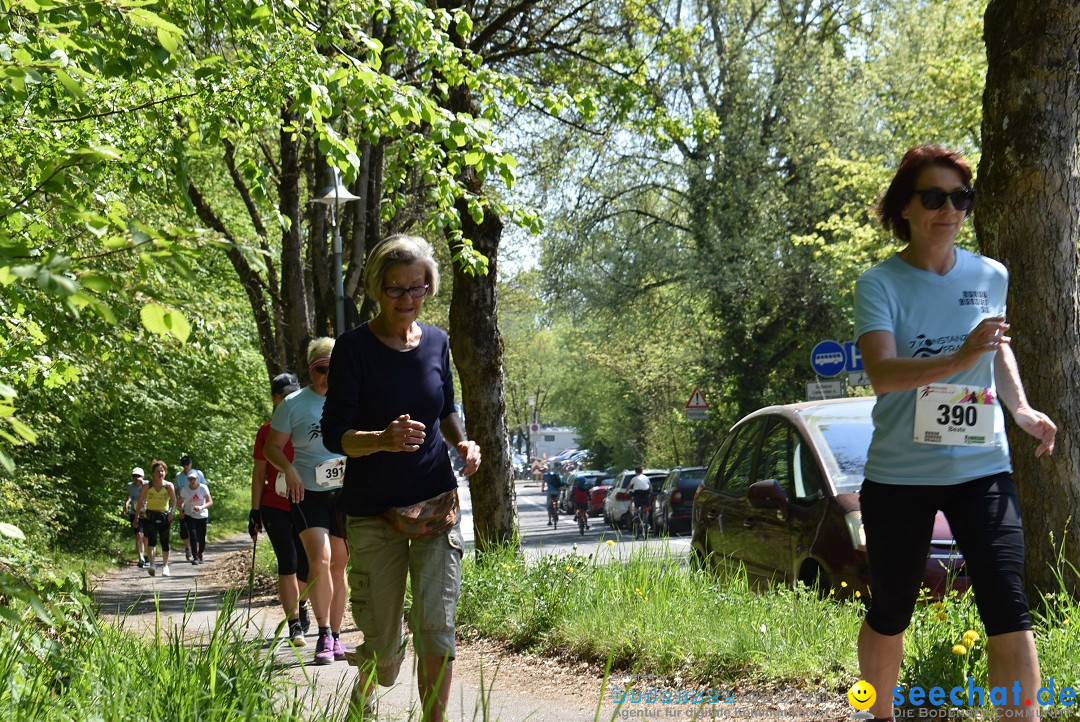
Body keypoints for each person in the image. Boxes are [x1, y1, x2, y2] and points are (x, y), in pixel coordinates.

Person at [854, 145, 1057, 722]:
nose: (949, 209)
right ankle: (879, 714)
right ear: (906, 209)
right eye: (933, 197)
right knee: (891, 608)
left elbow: (995, 350)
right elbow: (883, 374)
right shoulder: (879, 284)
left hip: (981, 467)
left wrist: (1019, 409)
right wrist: (957, 358)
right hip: (900, 473)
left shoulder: (990, 274)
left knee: (1008, 605)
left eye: (959, 198)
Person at [321, 234, 481, 720]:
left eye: (419, 288)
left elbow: (446, 408)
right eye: (396, 289)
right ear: (377, 287)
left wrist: (462, 442)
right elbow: (335, 435)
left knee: (437, 628)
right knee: (386, 654)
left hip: (435, 502)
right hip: (373, 512)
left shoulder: (437, 341)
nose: (408, 300)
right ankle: (364, 695)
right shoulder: (353, 349)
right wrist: (382, 439)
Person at [264, 338, 349, 666]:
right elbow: (272, 447)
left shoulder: (350, 401)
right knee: (321, 559)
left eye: (333, 369)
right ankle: (324, 633)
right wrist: (288, 469)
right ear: (311, 370)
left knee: (340, 562)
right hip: (306, 493)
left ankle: (338, 635)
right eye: (321, 369)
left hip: (343, 493)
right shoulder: (292, 405)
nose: (327, 376)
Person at [249, 372, 311, 646]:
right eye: (283, 395)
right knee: (288, 561)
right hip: (274, 505)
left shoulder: (308, 425)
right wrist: (254, 511)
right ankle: (294, 623)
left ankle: (303, 602)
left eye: (293, 394)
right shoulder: (266, 431)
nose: (288, 399)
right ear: (275, 398)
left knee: (308, 565)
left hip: (307, 503)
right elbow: (259, 472)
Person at [133, 460, 178, 577]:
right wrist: (136, 517)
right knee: (151, 541)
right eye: (158, 471)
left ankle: (165, 566)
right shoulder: (147, 486)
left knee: (165, 542)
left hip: (164, 516)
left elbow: (174, 501)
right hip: (150, 516)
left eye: (162, 471)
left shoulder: (169, 486)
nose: (160, 473)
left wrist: (172, 512)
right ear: (153, 473)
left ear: (165, 472)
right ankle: (152, 565)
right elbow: (140, 502)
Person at [175, 455, 208, 563]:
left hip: (199, 508)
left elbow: (204, 491)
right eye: (183, 465)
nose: (186, 467)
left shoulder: (199, 474)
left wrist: (202, 506)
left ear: (191, 464)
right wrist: (180, 508)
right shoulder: (179, 477)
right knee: (187, 532)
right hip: (186, 507)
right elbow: (177, 492)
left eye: (187, 464)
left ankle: (199, 553)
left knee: (200, 534)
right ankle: (191, 552)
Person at [178, 470, 212, 565]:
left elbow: (210, 501)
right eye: (190, 479)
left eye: (194, 479)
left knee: (201, 537)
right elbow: (180, 502)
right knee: (192, 534)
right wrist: (181, 511)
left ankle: (200, 552)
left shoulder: (203, 488)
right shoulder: (185, 489)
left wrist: (202, 507)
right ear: (188, 480)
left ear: (197, 479)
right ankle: (195, 556)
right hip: (190, 514)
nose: (192, 481)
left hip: (202, 515)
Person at [124, 467, 148, 567]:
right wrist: (126, 504)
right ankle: (141, 557)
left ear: (142, 477)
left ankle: (147, 555)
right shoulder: (130, 485)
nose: (136, 478)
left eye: (138, 476)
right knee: (139, 534)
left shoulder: (148, 485)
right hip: (134, 512)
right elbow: (129, 495)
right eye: (134, 476)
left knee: (146, 536)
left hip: (147, 513)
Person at [628, 466, 651, 538]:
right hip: (645, 493)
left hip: (637, 493)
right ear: (642, 471)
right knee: (646, 506)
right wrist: (650, 492)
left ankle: (636, 515)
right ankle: (646, 518)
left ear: (635, 472)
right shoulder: (646, 477)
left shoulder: (634, 478)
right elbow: (650, 486)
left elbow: (629, 486)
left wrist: (626, 492)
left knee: (636, 506)